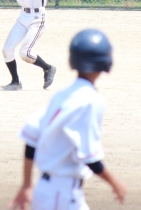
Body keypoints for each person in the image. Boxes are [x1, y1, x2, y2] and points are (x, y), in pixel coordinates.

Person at [9, 29, 127, 210]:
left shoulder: (62, 95)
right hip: (62, 196)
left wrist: (26, 185)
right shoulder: (92, 100)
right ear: (105, 62)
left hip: (46, 190)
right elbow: (89, 157)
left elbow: (31, 135)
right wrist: (114, 183)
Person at [0, 0, 56, 90]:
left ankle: (48, 68)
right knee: (7, 50)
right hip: (23, 17)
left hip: (37, 18)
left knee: (25, 53)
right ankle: (15, 82)